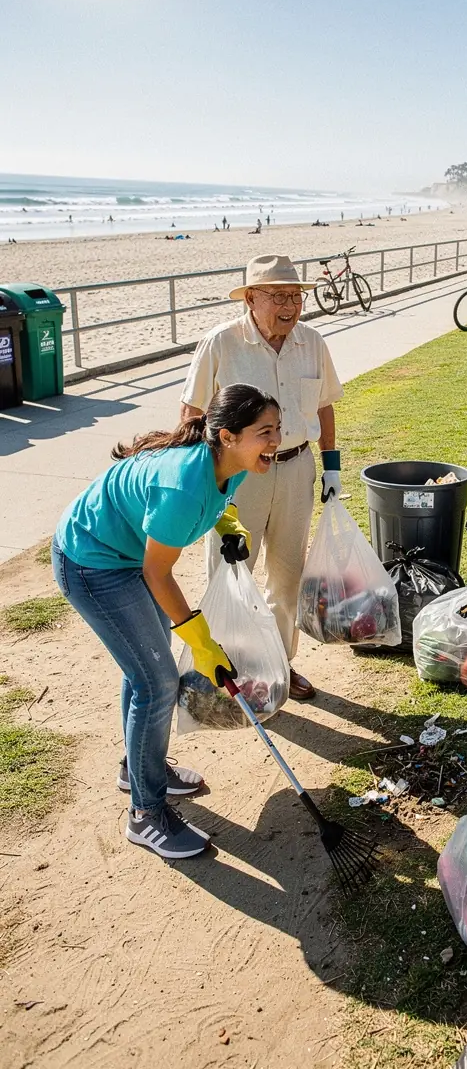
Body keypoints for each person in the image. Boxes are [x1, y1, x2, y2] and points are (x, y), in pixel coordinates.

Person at [52, 385, 282, 859]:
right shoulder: (182, 486)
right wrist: (201, 640)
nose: (276, 439)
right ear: (227, 435)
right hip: (93, 562)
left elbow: (221, 498)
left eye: (277, 428)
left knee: (146, 673)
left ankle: (137, 767)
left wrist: (227, 526)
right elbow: (157, 574)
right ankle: (145, 814)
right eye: (265, 432)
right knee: (155, 682)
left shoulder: (231, 463)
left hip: (126, 558)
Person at [180, 254, 343, 700]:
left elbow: (325, 404)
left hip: (296, 468)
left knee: (288, 576)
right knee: (231, 573)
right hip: (236, 477)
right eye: (278, 296)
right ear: (251, 298)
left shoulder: (312, 342)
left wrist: (332, 467)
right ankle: (228, 669)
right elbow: (192, 413)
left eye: (296, 296)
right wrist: (203, 479)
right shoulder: (221, 343)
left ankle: (280, 665)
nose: (290, 306)